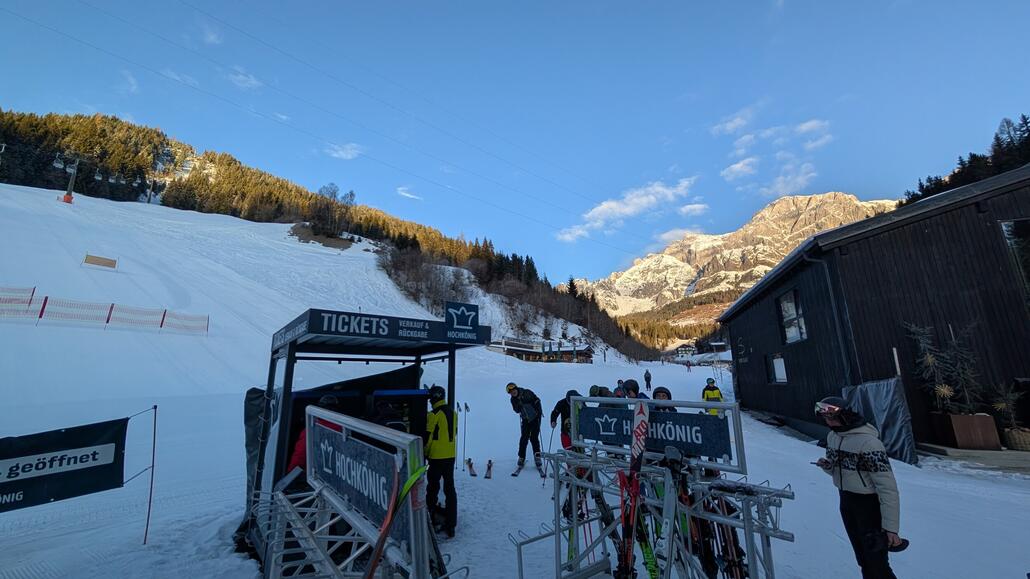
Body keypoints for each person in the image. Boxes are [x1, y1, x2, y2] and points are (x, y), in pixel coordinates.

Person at [815, 397, 906, 579]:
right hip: (846, 501)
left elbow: (887, 487)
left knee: (877, 562)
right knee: (863, 559)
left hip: (869, 505)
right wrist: (828, 467)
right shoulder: (833, 437)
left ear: (845, 416)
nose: (828, 422)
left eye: (831, 417)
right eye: (825, 418)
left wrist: (891, 529)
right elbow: (841, 470)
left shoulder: (869, 443)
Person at [425, 385, 458, 538]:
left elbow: (429, 437)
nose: (429, 401)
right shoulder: (453, 413)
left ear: (434, 398)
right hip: (450, 456)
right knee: (449, 489)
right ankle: (451, 524)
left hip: (436, 456)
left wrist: (425, 452)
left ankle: (429, 517)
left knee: (433, 487)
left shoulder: (433, 414)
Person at [286, 394, 339, 474]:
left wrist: (290, 474)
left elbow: (300, 455)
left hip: (317, 474)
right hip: (336, 474)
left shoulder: (312, 430)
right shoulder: (344, 430)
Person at [507, 382, 543, 470]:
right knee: (524, 438)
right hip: (525, 419)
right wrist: (518, 405)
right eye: (510, 392)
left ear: (516, 388)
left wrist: (539, 412)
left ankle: (537, 456)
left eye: (513, 390)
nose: (513, 392)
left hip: (535, 418)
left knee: (534, 438)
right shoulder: (513, 400)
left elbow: (537, 400)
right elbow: (516, 410)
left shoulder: (526, 392)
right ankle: (521, 457)